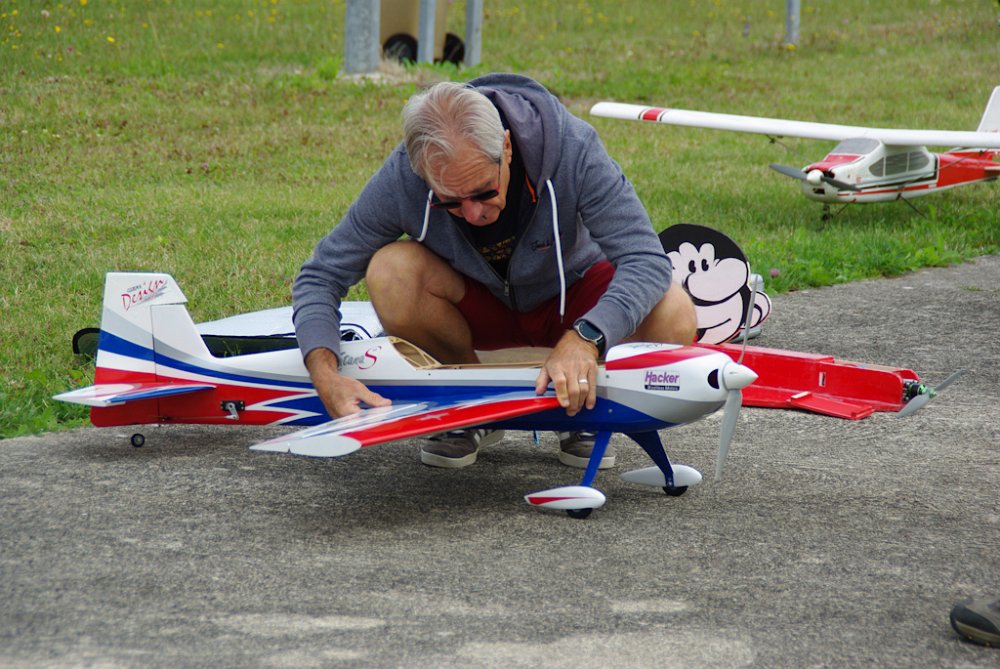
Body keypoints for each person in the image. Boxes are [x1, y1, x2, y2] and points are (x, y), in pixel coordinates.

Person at [292, 73, 696, 469]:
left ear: (506, 146)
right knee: (390, 271)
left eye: (484, 191)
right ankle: (467, 402)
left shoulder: (573, 147)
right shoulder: (405, 174)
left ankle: (584, 403)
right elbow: (321, 274)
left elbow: (646, 260)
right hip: (477, 310)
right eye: (450, 202)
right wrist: (324, 373)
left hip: (574, 302)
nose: (474, 213)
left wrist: (588, 337)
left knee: (673, 311)